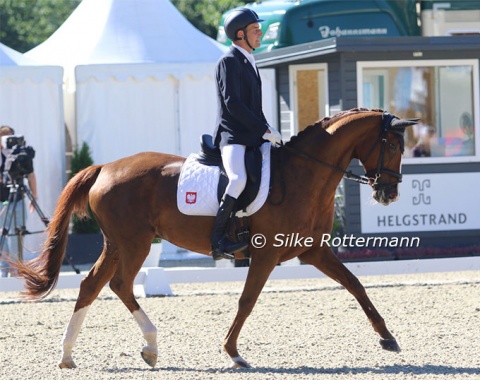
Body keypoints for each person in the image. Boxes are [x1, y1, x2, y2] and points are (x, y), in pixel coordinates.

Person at [210, 8, 282, 261]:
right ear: (240, 34)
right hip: (233, 137)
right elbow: (233, 104)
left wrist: (268, 129)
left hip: (252, 136)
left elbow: (254, 107)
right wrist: (263, 130)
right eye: (255, 30)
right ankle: (218, 240)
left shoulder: (248, 60)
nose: (260, 33)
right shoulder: (228, 61)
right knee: (238, 179)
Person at [0, 125, 38, 276]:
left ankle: (16, 268)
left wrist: (34, 197)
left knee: (17, 233)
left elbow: (31, 175)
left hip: (18, 199)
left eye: (10, 137)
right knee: (3, 233)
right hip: (2, 201)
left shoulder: (20, 154)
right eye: (4, 137)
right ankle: (4, 268)